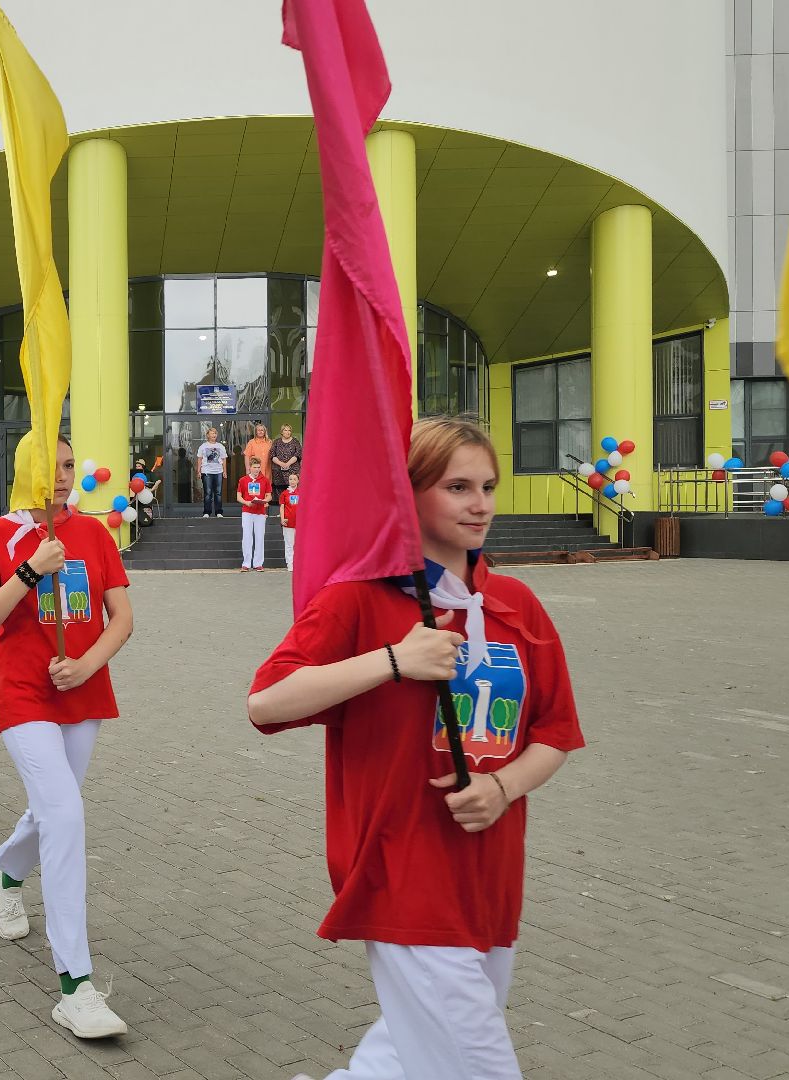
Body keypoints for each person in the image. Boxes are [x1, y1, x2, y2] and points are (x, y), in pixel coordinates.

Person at [248, 417, 585, 1080]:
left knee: (405, 1057)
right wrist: (393, 661)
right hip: (400, 872)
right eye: (457, 486)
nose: (480, 503)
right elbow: (266, 701)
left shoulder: (516, 604)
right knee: (478, 1067)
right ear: (408, 496)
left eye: (488, 485)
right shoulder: (357, 599)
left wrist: (503, 787)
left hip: (488, 877)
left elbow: (554, 732)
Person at [0, 432, 134, 1040]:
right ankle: (76, 985)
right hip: (23, 694)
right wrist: (30, 571)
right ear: (22, 469)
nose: (59, 475)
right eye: (48, 465)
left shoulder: (94, 533)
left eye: (66, 465)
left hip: (82, 691)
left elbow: (123, 619)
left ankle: (7, 873)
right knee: (64, 812)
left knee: (51, 810)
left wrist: (87, 666)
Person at [238, 456, 270, 572]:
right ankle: (246, 563)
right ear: (250, 468)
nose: (257, 469)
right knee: (247, 537)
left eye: (258, 467)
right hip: (247, 511)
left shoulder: (265, 480)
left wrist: (265, 501)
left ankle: (258, 563)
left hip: (260, 512)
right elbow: (238, 496)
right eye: (255, 467)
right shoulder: (243, 480)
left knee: (260, 537)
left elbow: (269, 495)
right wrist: (246, 502)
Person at [196, 428, 227, 517]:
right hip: (206, 471)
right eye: (212, 433)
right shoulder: (203, 446)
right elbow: (199, 459)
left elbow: (224, 459)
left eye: (215, 433)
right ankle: (207, 512)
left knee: (218, 492)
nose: (214, 435)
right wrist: (198, 471)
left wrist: (224, 471)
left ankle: (219, 512)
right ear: (208, 435)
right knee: (208, 493)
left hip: (218, 471)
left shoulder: (220, 446)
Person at [280, 472, 302, 571]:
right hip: (288, 522)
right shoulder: (284, 493)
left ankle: (299, 564)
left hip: (300, 523)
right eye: (290, 479)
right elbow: (282, 507)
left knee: (299, 544)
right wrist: (282, 518)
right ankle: (290, 564)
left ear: (298, 480)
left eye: (294, 479)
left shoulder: (302, 492)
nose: (292, 481)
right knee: (289, 544)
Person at [270, 423, 302, 488]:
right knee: (279, 492)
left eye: (289, 430)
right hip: (278, 472)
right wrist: (281, 463)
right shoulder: (276, 442)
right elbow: (272, 455)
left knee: (292, 492)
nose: (288, 432)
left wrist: (287, 464)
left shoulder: (295, 442)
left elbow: (298, 454)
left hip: (292, 471)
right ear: (282, 432)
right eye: (285, 430)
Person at [244, 423, 274, 489]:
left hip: (268, 470)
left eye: (262, 430)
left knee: (266, 488)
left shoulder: (269, 442)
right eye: (258, 430)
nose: (260, 432)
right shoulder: (251, 442)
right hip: (255, 470)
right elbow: (247, 456)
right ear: (256, 432)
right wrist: (247, 469)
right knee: (255, 490)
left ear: (265, 432)